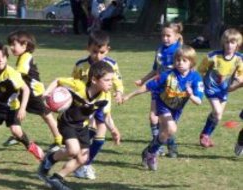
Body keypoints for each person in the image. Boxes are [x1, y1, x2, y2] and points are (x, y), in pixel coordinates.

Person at [38, 61, 120, 190]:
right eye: (107, 80)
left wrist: (114, 130)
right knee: (73, 150)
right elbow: (57, 81)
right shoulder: (78, 86)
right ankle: (49, 158)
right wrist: (47, 94)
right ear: (94, 79)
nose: (111, 83)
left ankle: (57, 178)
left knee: (83, 158)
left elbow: (105, 115)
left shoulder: (105, 97)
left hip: (82, 126)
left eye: (112, 80)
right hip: (67, 122)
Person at [123, 46, 204, 171]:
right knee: (172, 128)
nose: (180, 63)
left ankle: (149, 152)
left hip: (176, 109)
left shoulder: (196, 78)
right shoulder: (167, 75)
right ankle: (152, 154)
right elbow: (147, 87)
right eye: (177, 60)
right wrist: (129, 95)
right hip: (163, 105)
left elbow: (198, 101)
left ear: (192, 62)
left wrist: (191, 95)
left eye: (184, 60)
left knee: (164, 134)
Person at [0, 42, 44, 167]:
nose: (0, 60)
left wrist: (22, 109)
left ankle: (31, 146)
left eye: (3, 56)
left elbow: (25, 90)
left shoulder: (11, 74)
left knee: (16, 132)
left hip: (12, 108)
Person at [72, 30, 122, 180]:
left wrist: (119, 91)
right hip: (85, 105)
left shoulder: (112, 64)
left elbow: (117, 80)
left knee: (100, 135)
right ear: (88, 48)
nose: (98, 56)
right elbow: (73, 83)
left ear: (107, 50)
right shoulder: (81, 65)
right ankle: (79, 158)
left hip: (103, 103)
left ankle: (85, 163)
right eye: (95, 52)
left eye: (102, 52)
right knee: (91, 129)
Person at [4, 30, 63, 148]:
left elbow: (20, 73)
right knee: (14, 110)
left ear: (24, 45)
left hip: (34, 93)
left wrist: (6, 75)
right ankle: (17, 134)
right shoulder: (22, 56)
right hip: (25, 91)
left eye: (13, 44)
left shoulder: (26, 56)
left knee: (46, 115)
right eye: (10, 44)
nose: (11, 47)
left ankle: (59, 139)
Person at [134, 22, 183, 158]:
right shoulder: (159, 50)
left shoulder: (179, 51)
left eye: (168, 35)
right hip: (158, 87)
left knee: (168, 122)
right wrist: (143, 80)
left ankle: (171, 145)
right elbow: (156, 69)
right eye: (163, 35)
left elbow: (188, 70)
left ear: (177, 36)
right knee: (153, 117)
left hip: (173, 90)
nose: (165, 38)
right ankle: (158, 144)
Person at [198, 28, 243, 148]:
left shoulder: (239, 58)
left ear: (237, 44)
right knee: (217, 112)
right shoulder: (213, 56)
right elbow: (201, 69)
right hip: (211, 88)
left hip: (223, 90)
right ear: (223, 42)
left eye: (232, 43)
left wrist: (239, 78)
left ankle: (205, 135)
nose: (229, 45)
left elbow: (240, 72)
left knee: (217, 116)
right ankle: (205, 135)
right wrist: (202, 83)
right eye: (227, 42)